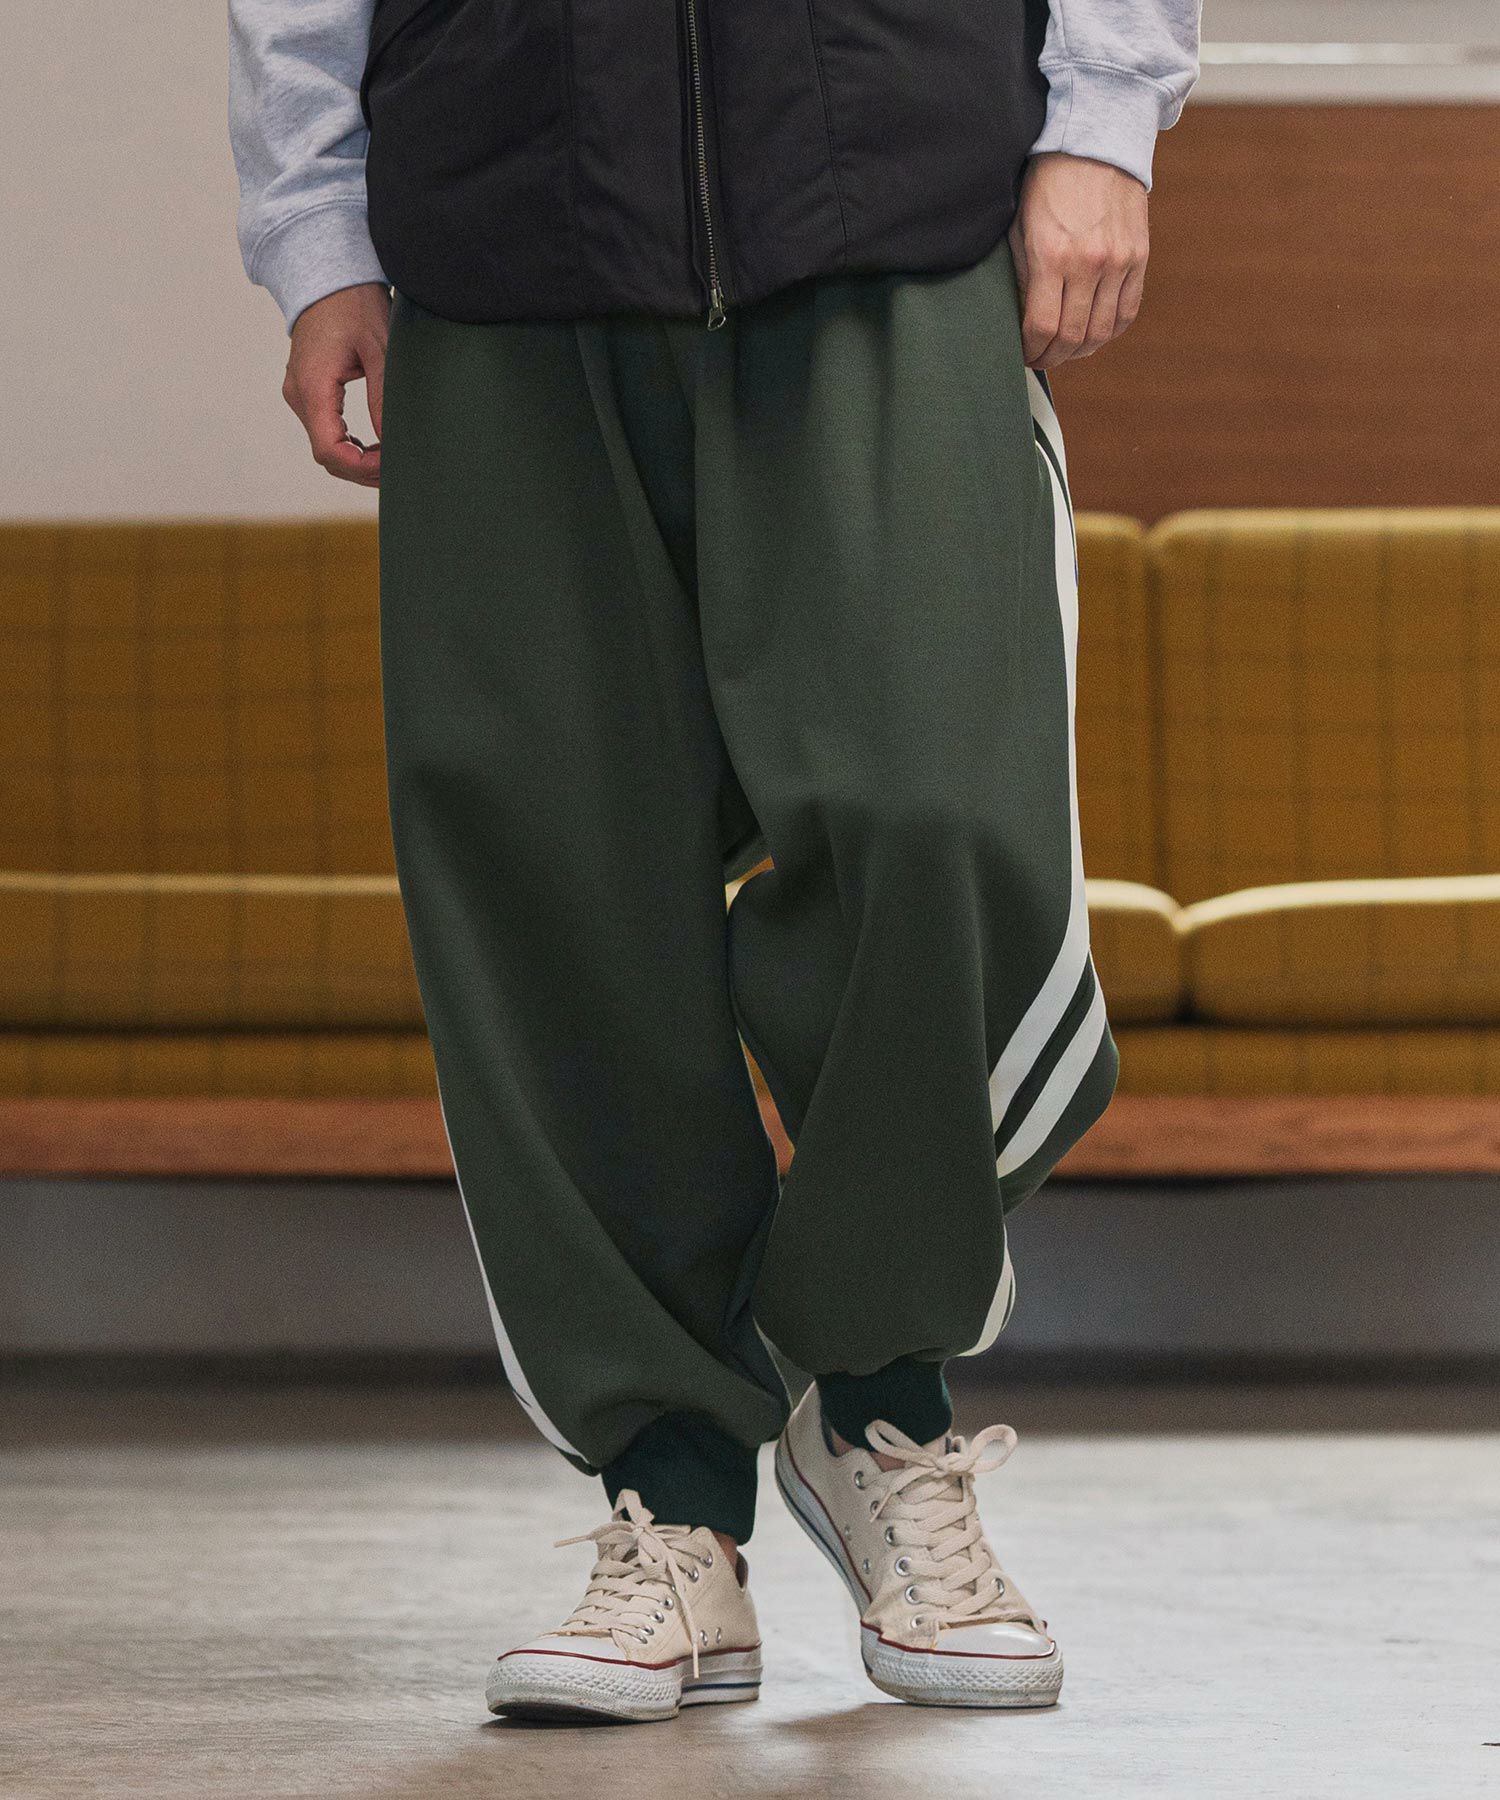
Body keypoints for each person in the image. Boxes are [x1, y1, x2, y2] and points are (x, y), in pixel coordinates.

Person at [230, 0, 1199, 1721]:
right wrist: (318, 233)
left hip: (889, 190)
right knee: (560, 877)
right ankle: (671, 1498)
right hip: (509, 230)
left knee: (934, 811)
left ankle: (880, 1404)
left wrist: (1102, 120)